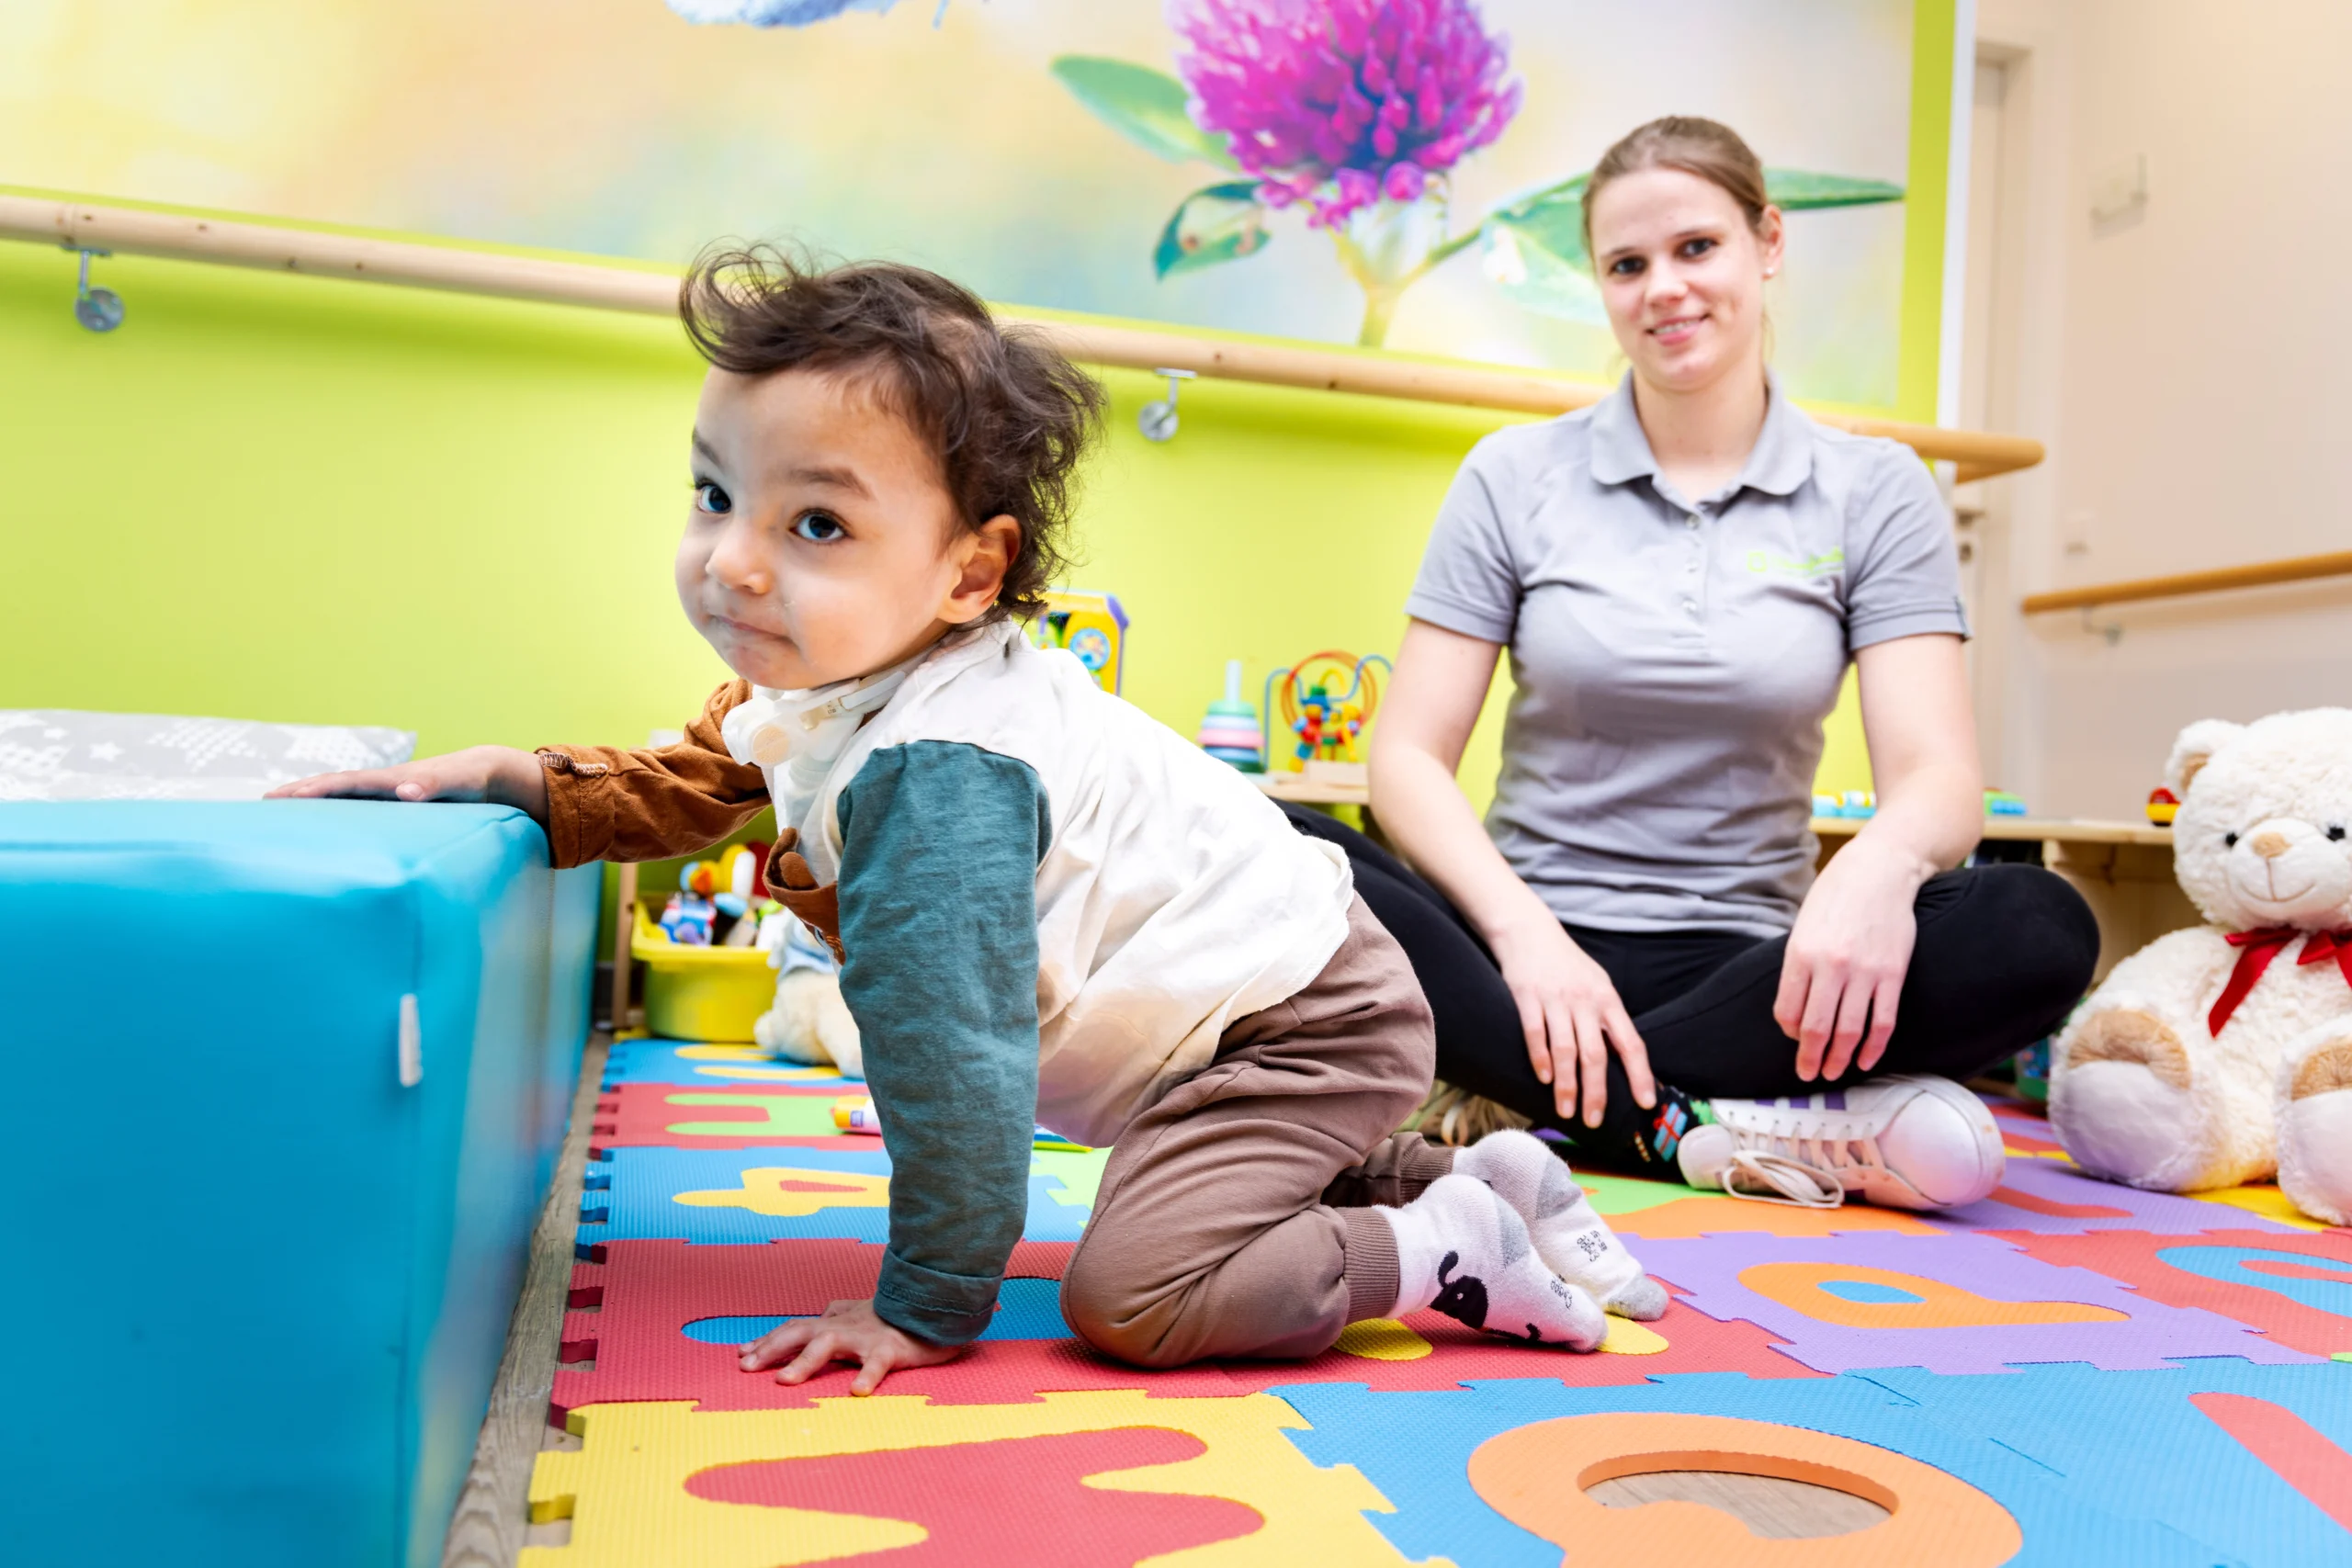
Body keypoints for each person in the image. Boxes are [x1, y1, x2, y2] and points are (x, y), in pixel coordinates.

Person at [270, 249, 1666, 1393]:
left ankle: (1441, 1245)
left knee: (1139, 1293)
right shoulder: (829, 684)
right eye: (714, 493)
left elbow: (953, 1062)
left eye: (816, 524)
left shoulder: (938, 776)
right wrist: (522, 778)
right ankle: (1477, 1171)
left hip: (1292, 1021)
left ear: (968, 569)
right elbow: (695, 775)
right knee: (1197, 1187)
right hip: (1247, 1003)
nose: (734, 557)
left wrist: (929, 1301)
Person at [1308, 117, 2099, 1212]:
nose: (1663, 290)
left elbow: (1939, 779)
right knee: (1278, 842)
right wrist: (1528, 942)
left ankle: (1553, 1104)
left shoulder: (1877, 489)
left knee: (2038, 924)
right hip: (1517, 956)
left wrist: (1872, 872)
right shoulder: (1512, 475)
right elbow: (1404, 758)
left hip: (1751, 975)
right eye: (1626, 266)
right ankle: (1704, 1127)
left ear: (1766, 242)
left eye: (1696, 248)